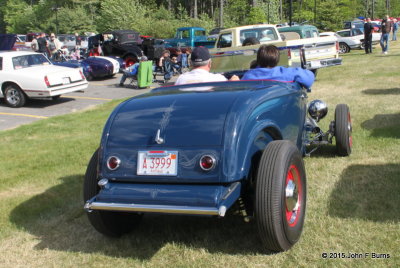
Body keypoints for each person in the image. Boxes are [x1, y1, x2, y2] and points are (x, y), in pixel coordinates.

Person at [241, 45, 315, 89]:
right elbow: (309, 80)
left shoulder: (248, 76)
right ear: (276, 59)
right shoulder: (287, 73)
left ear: (258, 59)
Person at [175, 46, 239, 85]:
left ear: (191, 63)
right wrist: (232, 83)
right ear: (209, 63)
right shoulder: (218, 79)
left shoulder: (181, 79)